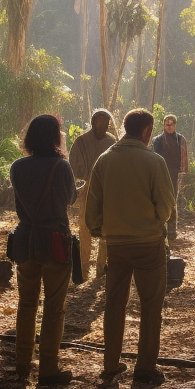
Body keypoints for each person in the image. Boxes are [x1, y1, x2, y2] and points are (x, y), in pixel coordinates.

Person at [86, 108, 177, 385]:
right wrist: (153, 222)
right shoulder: (154, 161)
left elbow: (92, 210)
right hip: (148, 244)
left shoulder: (104, 160)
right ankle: (145, 367)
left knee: (114, 304)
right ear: (147, 131)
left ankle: (111, 363)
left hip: (116, 245)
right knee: (151, 306)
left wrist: (103, 231)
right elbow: (166, 207)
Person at [9, 115, 78, 383]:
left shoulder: (17, 167)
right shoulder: (61, 167)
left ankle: (22, 363)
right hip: (54, 240)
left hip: (25, 238)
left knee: (26, 303)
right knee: (54, 305)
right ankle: (49, 366)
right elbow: (69, 199)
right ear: (54, 136)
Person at [69, 109, 116, 277]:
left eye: (105, 123)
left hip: (107, 190)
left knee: (106, 229)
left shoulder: (112, 143)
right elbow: (73, 168)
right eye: (98, 122)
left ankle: (101, 268)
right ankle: (83, 268)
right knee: (85, 228)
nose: (102, 125)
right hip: (88, 189)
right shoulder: (81, 142)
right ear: (93, 122)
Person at [151, 114, 190, 242]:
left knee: (172, 201)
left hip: (174, 174)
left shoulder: (180, 139)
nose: (169, 126)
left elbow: (184, 156)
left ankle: (172, 231)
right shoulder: (157, 140)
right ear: (164, 125)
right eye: (167, 124)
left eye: (171, 124)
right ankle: (160, 229)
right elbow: (154, 157)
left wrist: (183, 171)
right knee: (160, 200)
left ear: (175, 125)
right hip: (160, 174)